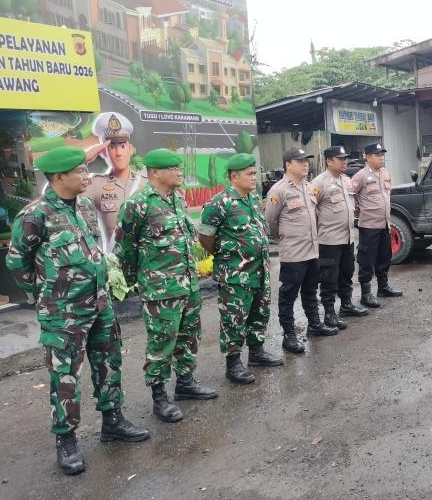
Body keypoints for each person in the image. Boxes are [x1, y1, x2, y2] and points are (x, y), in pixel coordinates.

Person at [6, 147, 149, 475]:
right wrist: (43, 294)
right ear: (58, 177)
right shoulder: (34, 215)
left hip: (100, 304)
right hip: (63, 313)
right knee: (65, 375)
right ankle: (66, 439)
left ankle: (112, 422)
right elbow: (17, 262)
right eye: (80, 172)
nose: (87, 177)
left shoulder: (84, 205)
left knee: (109, 362)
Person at [115, 149, 217, 424]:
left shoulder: (177, 199)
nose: (179, 172)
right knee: (161, 344)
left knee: (189, 337)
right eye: (173, 168)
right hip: (161, 290)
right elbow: (125, 248)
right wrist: (140, 281)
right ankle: (160, 397)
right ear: (155, 172)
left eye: (179, 167)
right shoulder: (137, 205)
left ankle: (185, 382)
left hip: (188, 285)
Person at [199, 153, 283, 385]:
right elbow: (205, 237)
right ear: (234, 176)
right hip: (235, 274)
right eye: (249, 174)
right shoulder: (220, 203)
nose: (253, 177)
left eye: (254, 173)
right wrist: (227, 255)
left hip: (259, 271)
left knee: (259, 312)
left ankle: (256, 352)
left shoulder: (253, 199)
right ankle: (233, 363)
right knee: (234, 318)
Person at [264, 148, 338, 354]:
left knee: (310, 290)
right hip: (293, 253)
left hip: (312, 251)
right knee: (288, 295)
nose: (306, 164)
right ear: (288, 164)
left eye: (307, 160)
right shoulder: (278, 190)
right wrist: (285, 237)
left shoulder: (308, 187)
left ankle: (315, 325)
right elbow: (270, 222)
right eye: (300, 161)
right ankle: (289, 335)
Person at [311, 146, 369, 329]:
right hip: (329, 240)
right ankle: (329, 313)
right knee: (329, 276)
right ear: (329, 161)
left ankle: (346, 304)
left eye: (345, 158)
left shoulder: (345, 180)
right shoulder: (319, 183)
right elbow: (311, 210)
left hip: (347, 237)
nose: (345, 162)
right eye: (340, 159)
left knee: (346, 272)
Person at [83, 112, 146, 252]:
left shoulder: (147, 184)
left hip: (145, 265)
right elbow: (60, 190)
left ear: (130, 149)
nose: (118, 153)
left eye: (122, 146)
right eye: (112, 147)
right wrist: (84, 159)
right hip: (115, 265)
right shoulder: (97, 185)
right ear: (104, 152)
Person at [351, 143, 403, 308]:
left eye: (382, 154)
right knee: (366, 259)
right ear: (367, 157)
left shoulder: (386, 174)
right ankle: (366, 294)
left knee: (384, 257)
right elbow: (350, 196)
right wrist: (358, 212)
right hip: (369, 226)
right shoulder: (360, 176)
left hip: (384, 224)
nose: (381, 157)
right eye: (377, 155)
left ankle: (383, 287)